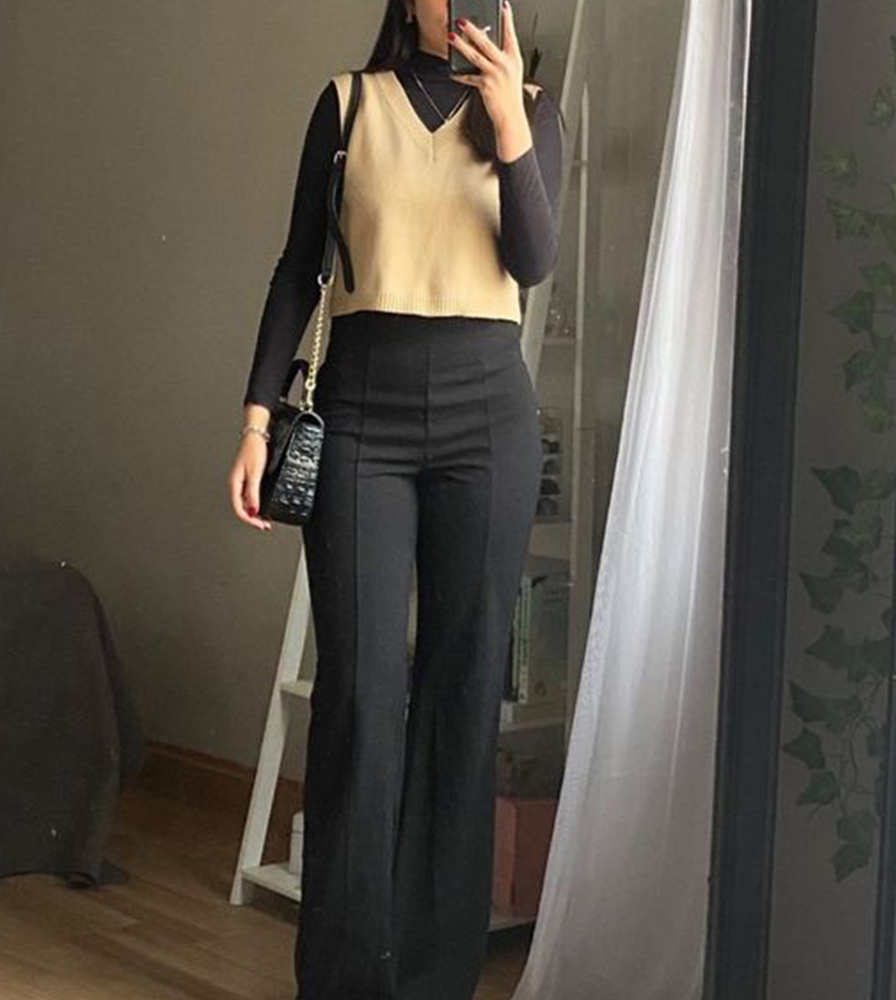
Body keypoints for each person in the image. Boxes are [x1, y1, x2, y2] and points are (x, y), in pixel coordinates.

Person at [228, 2, 564, 998]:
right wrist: (256, 420)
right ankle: (341, 979)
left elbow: (534, 261)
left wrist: (507, 122)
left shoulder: (532, 109)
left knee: (463, 694)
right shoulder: (346, 105)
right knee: (359, 696)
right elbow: (298, 264)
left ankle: (432, 979)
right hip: (359, 418)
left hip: (486, 420)